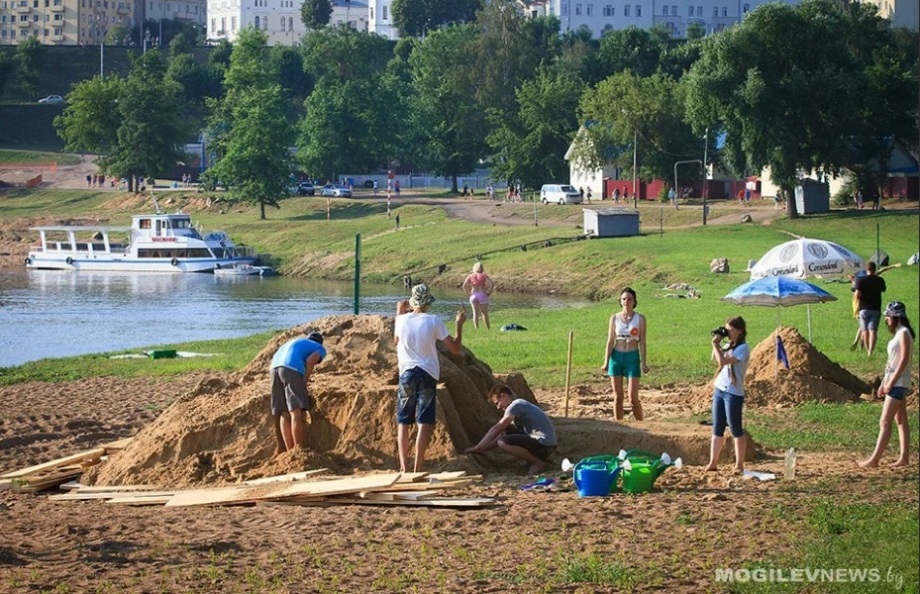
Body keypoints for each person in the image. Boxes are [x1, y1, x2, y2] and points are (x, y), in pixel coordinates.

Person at [394, 284, 465, 472]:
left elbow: (395, 340)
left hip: (406, 373)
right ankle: (418, 467)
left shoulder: (401, 320)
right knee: (423, 422)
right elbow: (455, 348)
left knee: (403, 422)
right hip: (427, 373)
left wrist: (399, 313)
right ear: (428, 303)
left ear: (412, 302)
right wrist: (459, 325)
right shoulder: (434, 321)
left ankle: (404, 467)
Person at [860, 301, 914, 468]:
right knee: (901, 419)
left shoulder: (903, 333)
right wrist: (884, 381)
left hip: (898, 383)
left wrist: (891, 382)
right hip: (895, 382)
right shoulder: (899, 333)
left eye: (888, 317)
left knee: (884, 421)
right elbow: (892, 361)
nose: (886, 320)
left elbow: (903, 360)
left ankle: (874, 459)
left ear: (896, 317)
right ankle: (904, 458)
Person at [463, 384, 557, 475]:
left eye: (497, 403)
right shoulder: (519, 404)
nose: (498, 407)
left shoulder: (515, 405)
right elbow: (503, 432)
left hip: (544, 446)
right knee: (507, 430)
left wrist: (477, 447)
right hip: (545, 445)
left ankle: (537, 462)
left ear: (504, 396)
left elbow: (497, 428)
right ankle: (534, 460)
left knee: (502, 442)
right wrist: (483, 449)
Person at [269, 331, 327, 453]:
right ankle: (299, 451)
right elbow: (310, 361)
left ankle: (290, 453)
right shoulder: (319, 347)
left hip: (274, 369)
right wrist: (304, 379)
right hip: (291, 368)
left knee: (284, 413)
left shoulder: (296, 342)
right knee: (296, 412)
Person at [705, 317, 749, 472]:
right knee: (717, 427)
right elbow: (715, 357)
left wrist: (715, 345)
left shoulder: (743, 348)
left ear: (740, 331)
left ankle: (739, 464)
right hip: (720, 389)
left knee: (735, 428)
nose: (728, 332)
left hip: (733, 393)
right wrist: (718, 344)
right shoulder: (729, 345)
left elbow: (722, 361)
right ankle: (713, 463)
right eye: (727, 329)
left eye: (731, 330)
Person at [601, 288, 649, 421]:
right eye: (624, 299)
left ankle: (641, 423)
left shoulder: (640, 319)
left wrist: (644, 362)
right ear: (620, 301)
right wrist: (606, 362)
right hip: (616, 357)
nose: (626, 302)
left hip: (632, 357)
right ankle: (619, 425)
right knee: (618, 397)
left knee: (633, 397)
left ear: (634, 301)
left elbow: (642, 342)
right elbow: (610, 341)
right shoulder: (614, 318)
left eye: (629, 299)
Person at [852, 261, 887, 357]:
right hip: (876, 308)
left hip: (863, 308)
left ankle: (868, 351)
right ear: (875, 269)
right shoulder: (880, 280)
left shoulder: (860, 280)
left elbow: (857, 295)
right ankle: (870, 352)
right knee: (873, 331)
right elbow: (883, 289)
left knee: (865, 331)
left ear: (866, 269)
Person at [462, 261, 494, 330]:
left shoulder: (470, 276)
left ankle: (476, 328)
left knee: (475, 313)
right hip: (482, 294)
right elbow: (491, 284)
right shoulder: (484, 275)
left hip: (473, 295)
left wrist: (469, 294)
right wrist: (489, 292)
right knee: (484, 313)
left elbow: (464, 286)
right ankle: (488, 328)